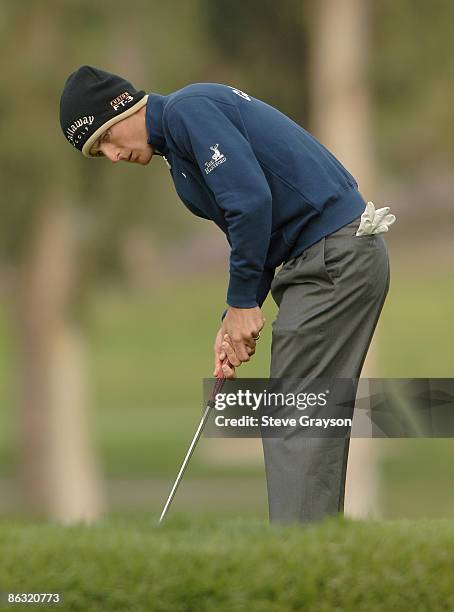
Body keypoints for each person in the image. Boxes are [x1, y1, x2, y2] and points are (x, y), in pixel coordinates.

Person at [59, 65, 395, 524]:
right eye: (101, 155)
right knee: (304, 420)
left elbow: (252, 203)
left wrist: (242, 305)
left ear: (123, 106)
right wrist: (234, 315)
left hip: (333, 257)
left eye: (107, 140)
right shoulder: (178, 159)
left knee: (293, 420)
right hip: (320, 261)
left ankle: (299, 568)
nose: (113, 156)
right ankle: (316, 556)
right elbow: (259, 232)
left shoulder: (187, 110)